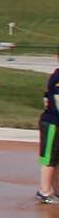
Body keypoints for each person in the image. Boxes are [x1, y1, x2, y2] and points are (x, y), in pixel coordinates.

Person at [41, 64, 59, 204]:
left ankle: (56, 191)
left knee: (56, 159)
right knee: (50, 159)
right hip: (52, 123)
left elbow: (46, 98)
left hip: (54, 122)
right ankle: (45, 192)